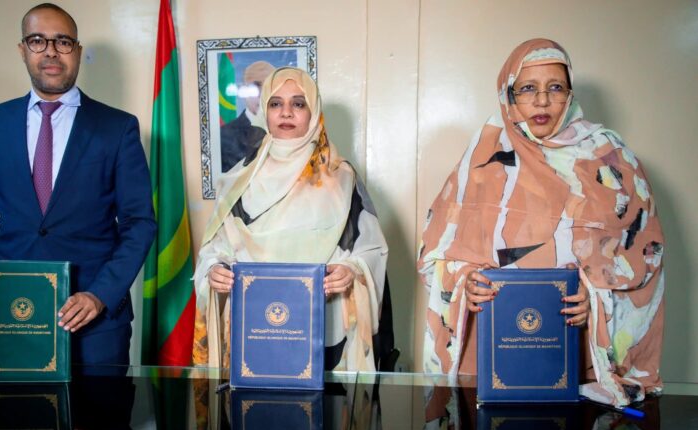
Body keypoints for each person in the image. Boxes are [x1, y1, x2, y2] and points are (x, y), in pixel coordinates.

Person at [418, 38, 664, 406]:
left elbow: (647, 255)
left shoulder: (609, 156)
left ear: (570, 93)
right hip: (491, 352)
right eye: (528, 88)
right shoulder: (482, 157)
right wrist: (464, 281)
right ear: (509, 94)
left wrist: (598, 299)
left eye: (556, 88)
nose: (543, 101)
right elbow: (437, 251)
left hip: (581, 357)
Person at [0, 3, 156, 366]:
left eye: (63, 41)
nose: (50, 51)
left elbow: (139, 223)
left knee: (102, 407)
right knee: (16, 405)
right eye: (37, 40)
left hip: (96, 324)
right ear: (23, 50)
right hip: (12, 313)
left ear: (76, 51)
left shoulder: (118, 127)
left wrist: (100, 294)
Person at [193, 67, 389, 371]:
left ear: (314, 112)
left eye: (298, 103)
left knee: (325, 401)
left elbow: (371, 249)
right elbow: (215, 249)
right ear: (265, 112)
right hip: (252, 326)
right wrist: (214, 270)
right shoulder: (237, 180)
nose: (286, 112)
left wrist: (351, 270)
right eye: (275, 103)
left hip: (325, 328)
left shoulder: (341, 177)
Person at [219, 60, 275, 172]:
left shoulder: (289, 129)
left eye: (269, 86)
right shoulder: (224, 135)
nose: (262, 93)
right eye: (256, 86)